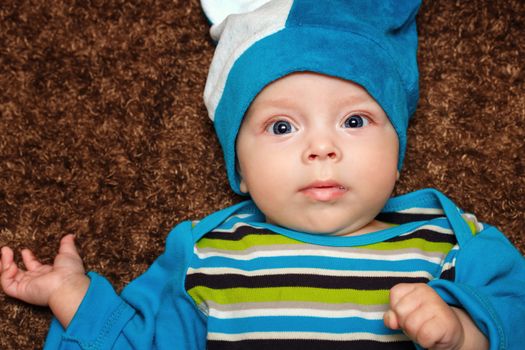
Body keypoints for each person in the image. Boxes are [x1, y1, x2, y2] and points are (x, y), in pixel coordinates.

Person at [1, 0, 524, 349]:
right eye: (281, 126)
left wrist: (462, 331)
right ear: (240, 169)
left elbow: (515, 312)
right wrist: (70, 295)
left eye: (355, 120)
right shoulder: (211, 252)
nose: (322, 147)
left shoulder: (449, 239)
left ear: (397, 146)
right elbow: (145, 340)